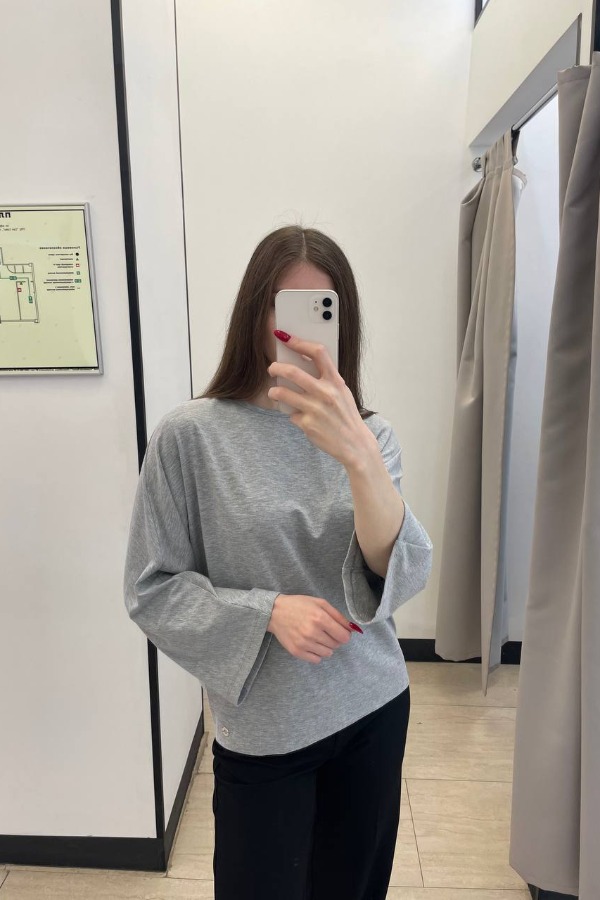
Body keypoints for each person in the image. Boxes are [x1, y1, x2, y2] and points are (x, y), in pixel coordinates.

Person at [123, 225, 433, 899]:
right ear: (254, 313)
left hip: (373, 705)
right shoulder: (190, 437)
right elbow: (152, 588)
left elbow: (400, 571)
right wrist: (266, 612)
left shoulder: (371, 435)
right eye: (283, 306)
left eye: (322, 309)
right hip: (264, 730)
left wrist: (358, 456)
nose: (299, 330)